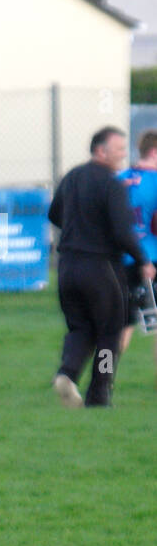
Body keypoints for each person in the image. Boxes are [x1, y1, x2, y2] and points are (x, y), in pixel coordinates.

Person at [49, 127, 157, 408]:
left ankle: (66, 374)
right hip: (100, 268)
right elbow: (123, 231)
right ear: (101, 150)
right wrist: (143, 259)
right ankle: (99, 394)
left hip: (67, 267)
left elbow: (53, 213)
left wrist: (78, 230)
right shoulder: (112, 184)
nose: (123, 155)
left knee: (79, 328)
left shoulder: (72, 176)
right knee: (110, 332)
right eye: (119, 149)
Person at [118, 130, 157, 369]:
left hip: (118, 260)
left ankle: (102, 379)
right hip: (151, 260)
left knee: (120, 326)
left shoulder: (117, 178)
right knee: (155, 325)